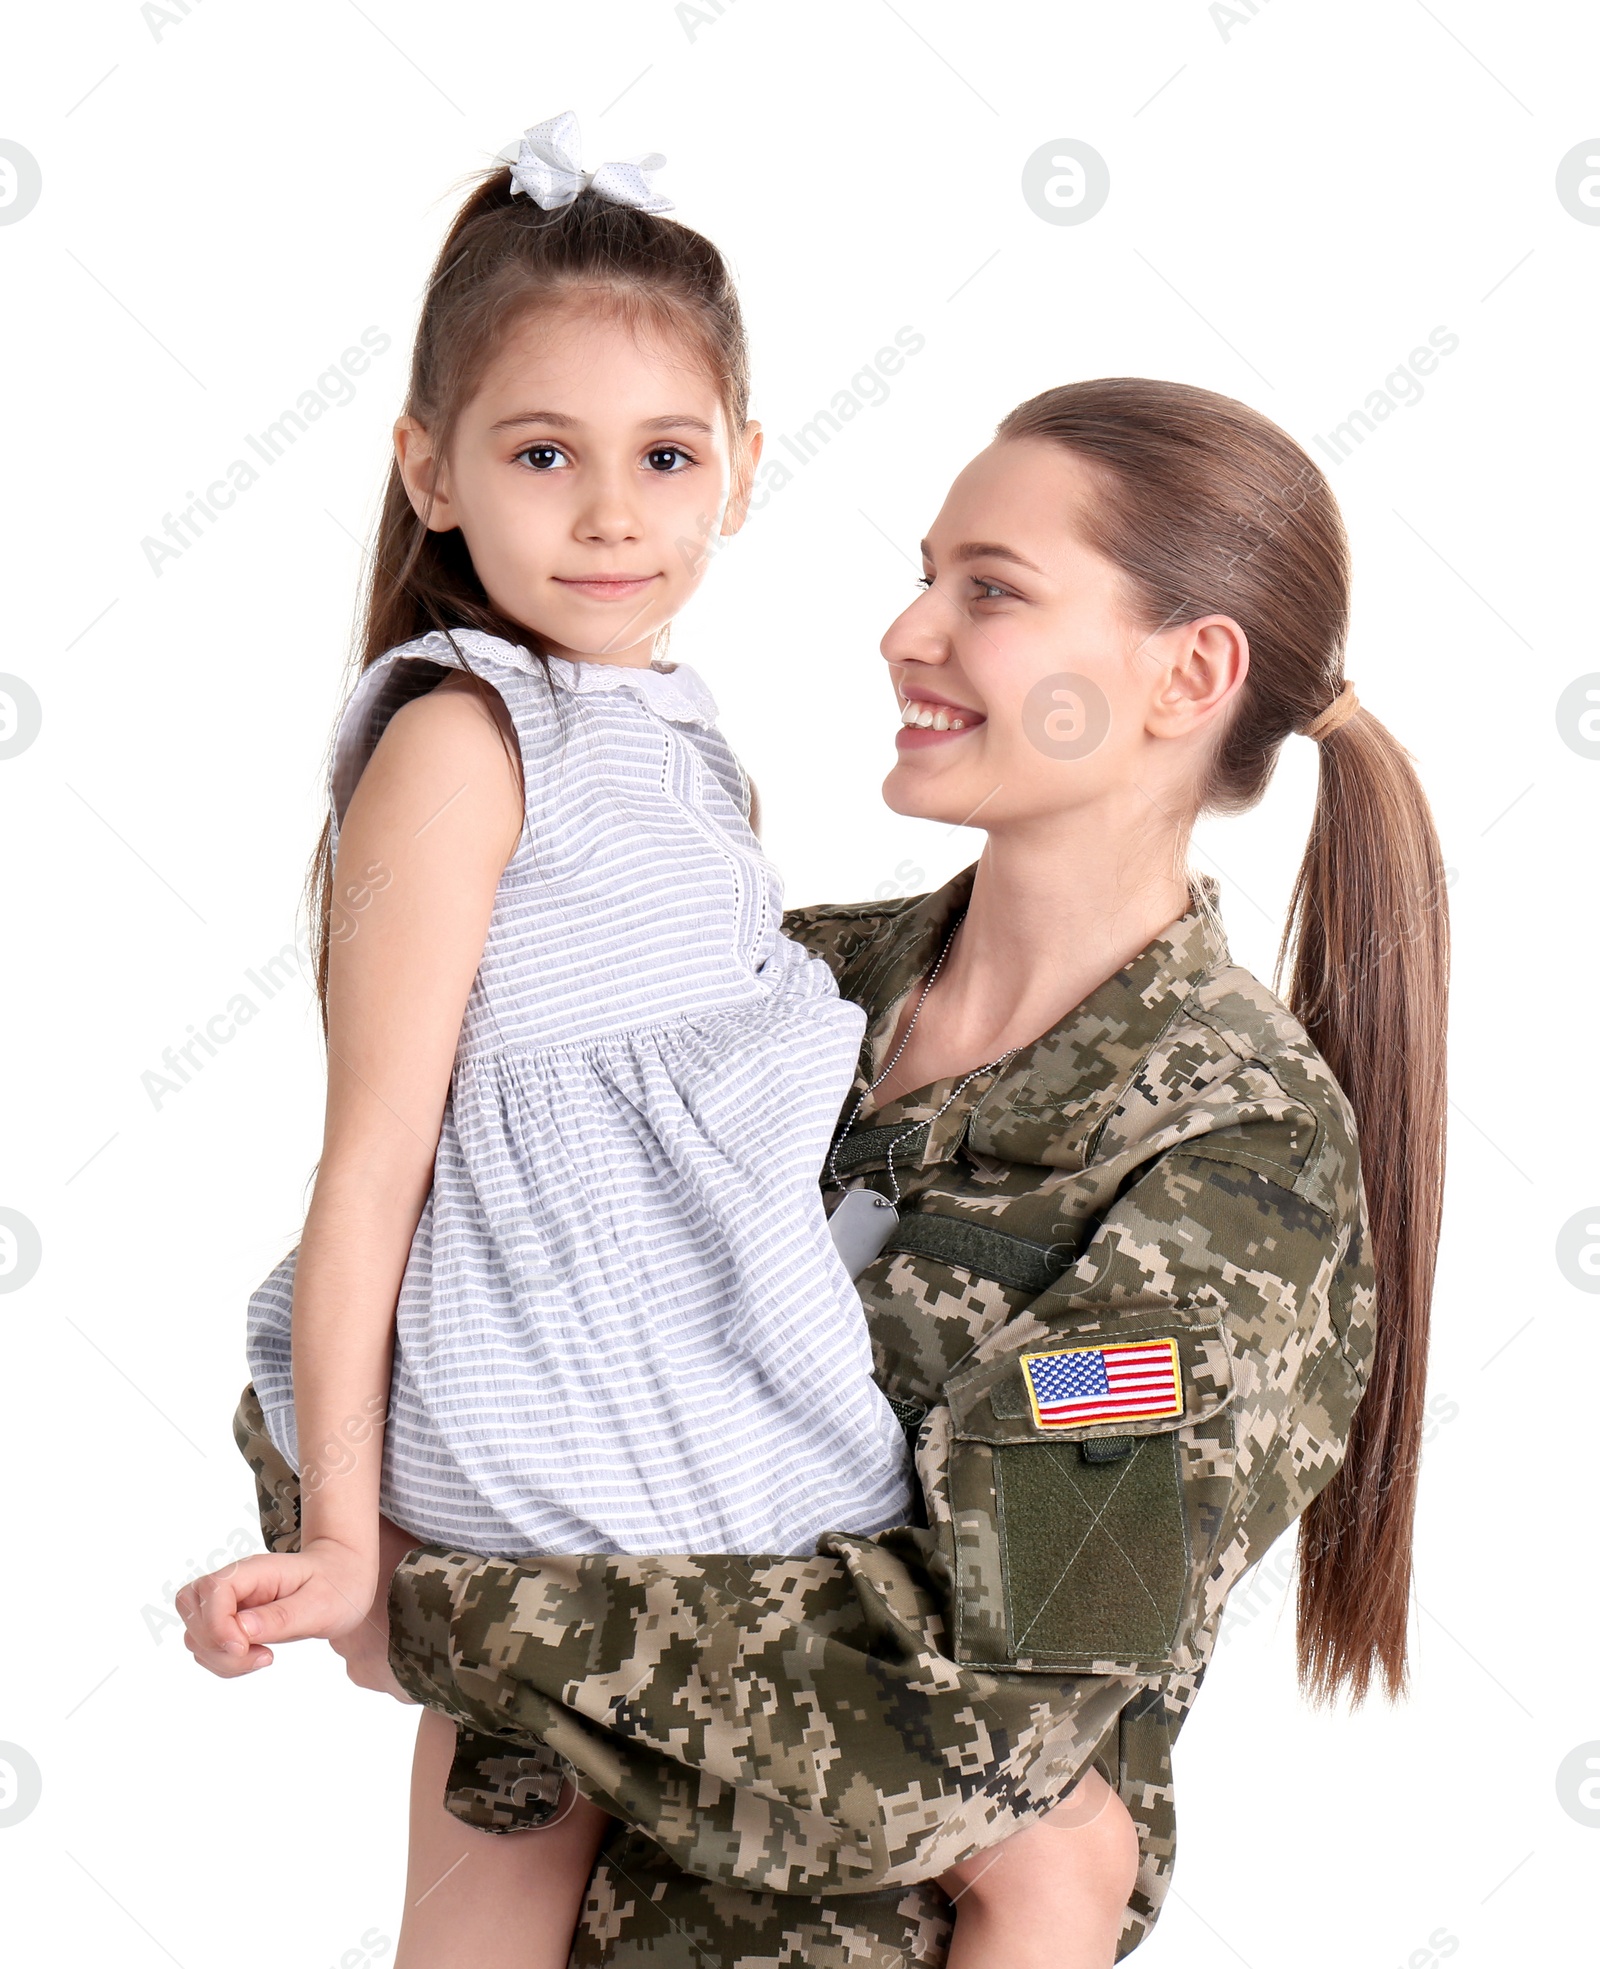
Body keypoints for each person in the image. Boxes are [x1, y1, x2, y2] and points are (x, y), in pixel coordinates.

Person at [176, 121, 1152, 1969]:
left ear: (742, 477)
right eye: (544, 454)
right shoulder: (465, 738)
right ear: (430, 471)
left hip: (641, 1390)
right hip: (589, 1412)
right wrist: (347, 1534)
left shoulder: (684, 745)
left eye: (667, 457)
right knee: (1057, 1850)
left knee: (496, 1887)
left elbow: (1128, 1433)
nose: (612, 512)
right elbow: (375, 1154)